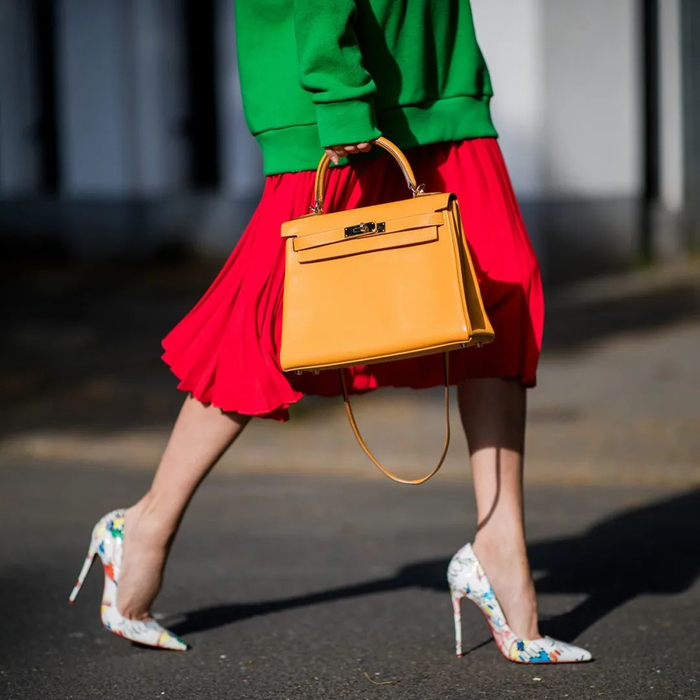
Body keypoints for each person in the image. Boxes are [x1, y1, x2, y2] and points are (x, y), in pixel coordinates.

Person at [69, 0, 592, 663]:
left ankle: (500, 544)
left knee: (500, 292)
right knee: (271, 320)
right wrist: (338, 91)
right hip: (342, 80)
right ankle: (145, 524)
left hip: (437, 73)